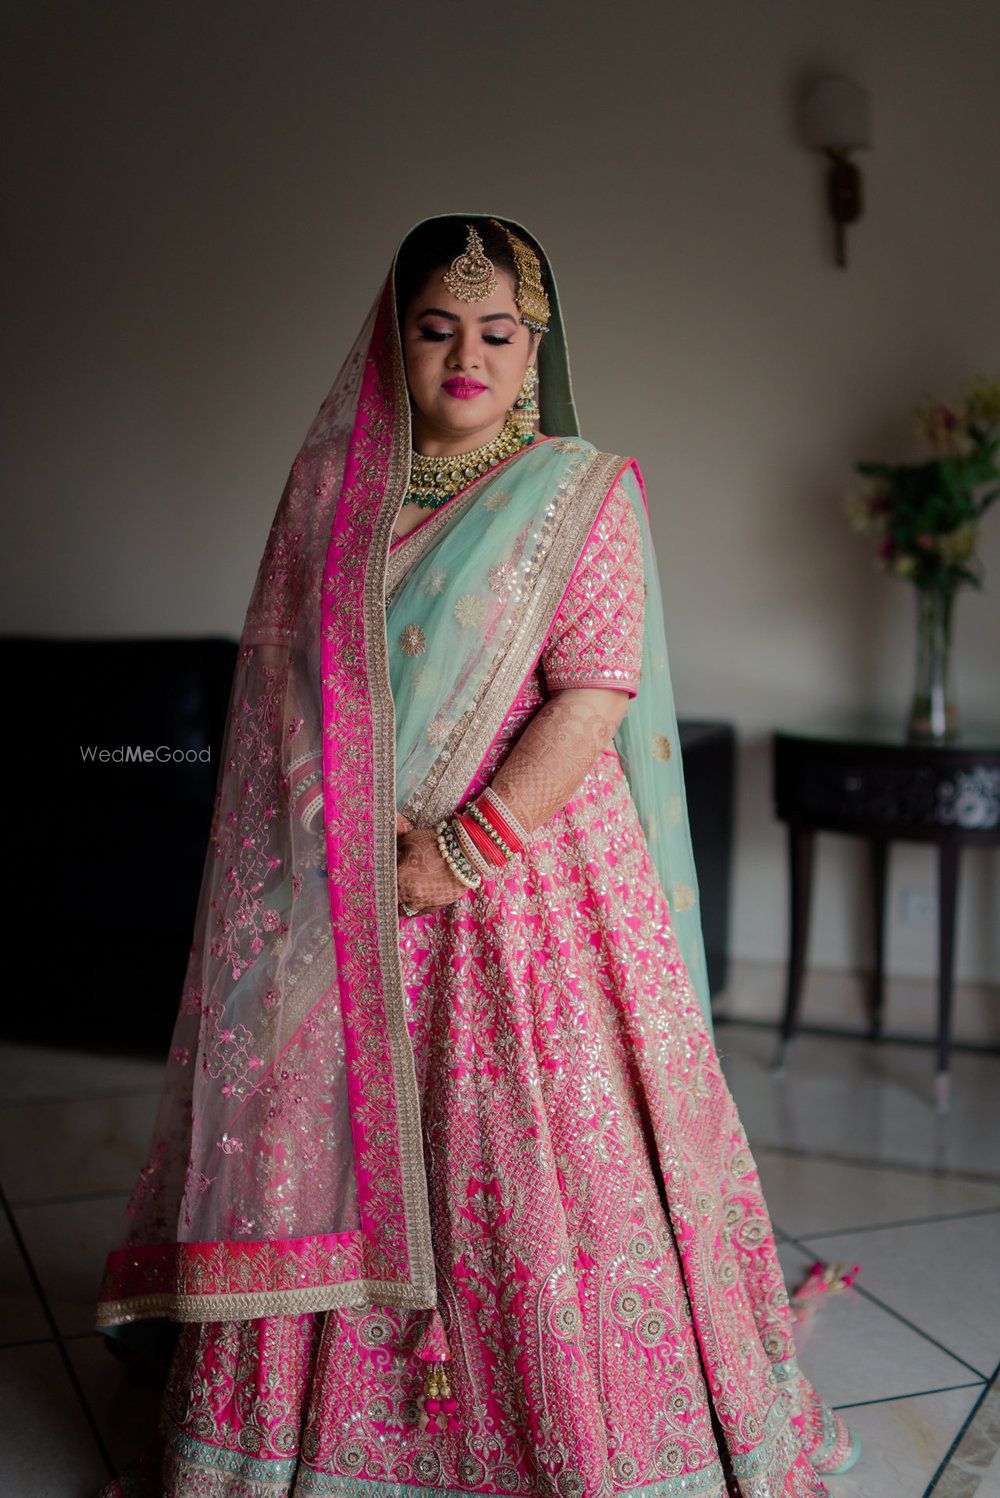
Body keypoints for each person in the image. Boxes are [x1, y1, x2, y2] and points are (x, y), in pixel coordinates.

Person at [93, 214, 858, 1496]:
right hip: (349, 883)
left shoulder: (581, 491)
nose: (466, 354)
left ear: (533, 345)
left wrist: (457, 852)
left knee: (540, 1162)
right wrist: (334, 844)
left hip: (531, 887)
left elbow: (592, 693)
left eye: (496, 331)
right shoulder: (332, 502)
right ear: (392, 344)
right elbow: (282, 696)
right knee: (329, 1146)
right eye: (436, 328)